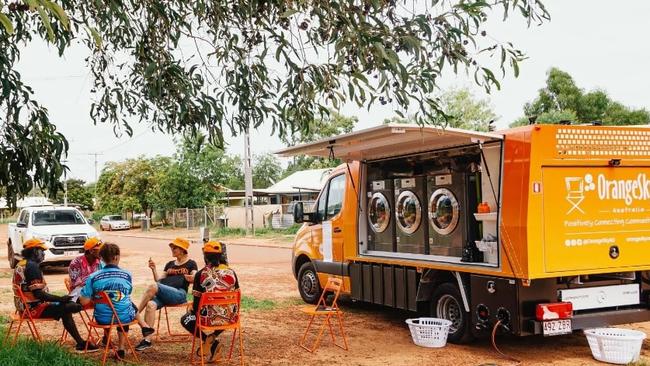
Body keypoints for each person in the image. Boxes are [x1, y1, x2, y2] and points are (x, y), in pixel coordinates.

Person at [13, 238, 99, 353]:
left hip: (23, 307)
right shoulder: (32, 267)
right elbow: (39, 294)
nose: (44, 254)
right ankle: (80, 342)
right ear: (34, 252)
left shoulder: (21, 263)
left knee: (67, 306)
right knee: (69, 307)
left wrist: (61, 300)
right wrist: (60, 299)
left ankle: (80, 343)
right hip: (32, 308)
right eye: (42, 251)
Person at [80, 242, 155, 360]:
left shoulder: (93, 277)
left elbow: (84, 302)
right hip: (123, 317)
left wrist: (95, 297)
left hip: (102, 319)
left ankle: (108, 340)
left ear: (102, 258)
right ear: (116, 257)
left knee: (112, 308)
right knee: (123, 306)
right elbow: (128, 293)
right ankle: (121, 348)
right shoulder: (126, 274)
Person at [135, 237, 198, 351]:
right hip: (164, 293)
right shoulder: (169, 264)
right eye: (172, 247)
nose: (172, 249)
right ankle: (147, 340)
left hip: (179, 293)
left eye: (175, 247)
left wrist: (192, 278)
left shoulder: (191, 263)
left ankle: (135, 314)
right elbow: (159, 281)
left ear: (183, 249)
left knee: (153, 286)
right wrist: (153, 269)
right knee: (150, 305)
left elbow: (196, 277)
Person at [180, 240, 239, 362]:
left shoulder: (201, 274)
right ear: (220, 255)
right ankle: (213, 338)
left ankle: (211, 341)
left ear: (205, 256)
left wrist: (193, 310)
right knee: (224, 312)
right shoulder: (232, 272)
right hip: (231, 317)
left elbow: (197, 304)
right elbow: (237, 294)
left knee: (185, 319)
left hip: (207, 319)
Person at [68, 236, 104, 301]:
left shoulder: (100, 262)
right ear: (91, 251)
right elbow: (77, 284)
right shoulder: (76, 263)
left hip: (95, 291)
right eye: (100, 250)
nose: (102, 252)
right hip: (79, 293)